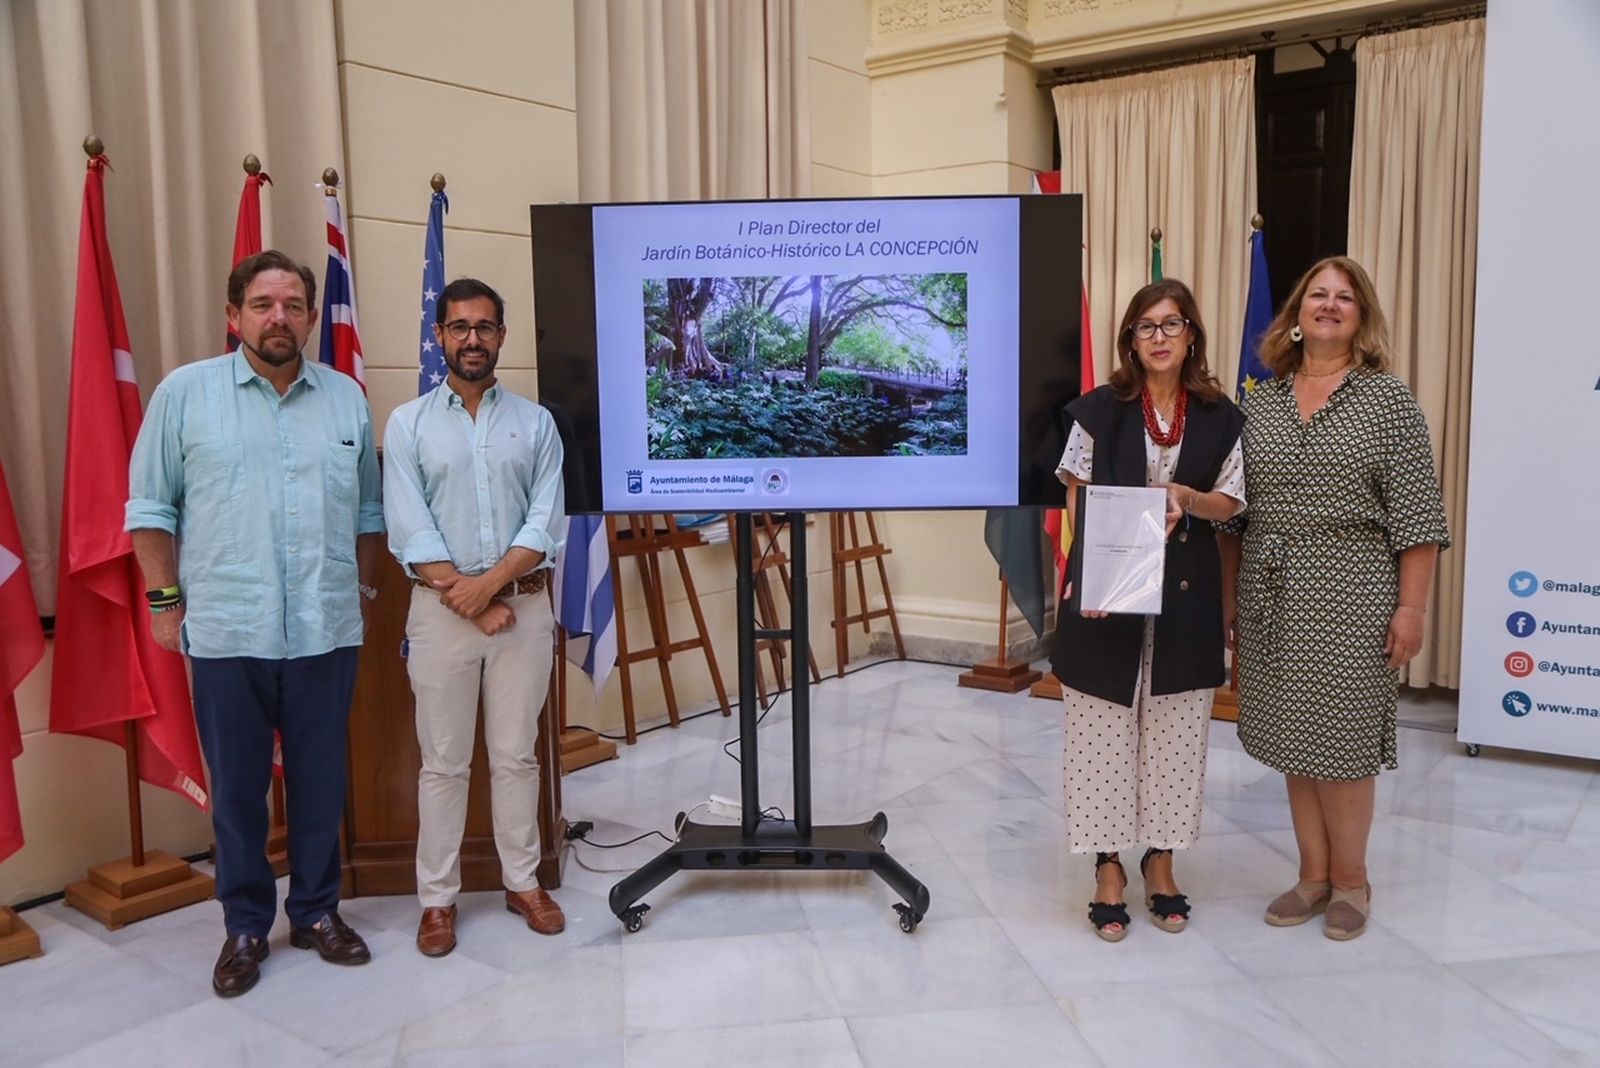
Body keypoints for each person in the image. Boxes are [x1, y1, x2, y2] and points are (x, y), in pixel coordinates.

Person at [126, 250, 384, 997]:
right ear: (234, 316)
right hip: (228, 628)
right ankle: (244, 925)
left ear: (309, 316)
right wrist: (165, 602)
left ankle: (315, 913)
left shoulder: (344, 400)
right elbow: (150, 509)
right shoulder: (185, 396)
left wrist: (362, 591)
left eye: (294, 304)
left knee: (319, 781)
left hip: (324, 627)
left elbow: (368, 511)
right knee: (237, 789)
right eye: (264, 304)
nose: (280, 317)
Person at [1218, 256, 1449, 941]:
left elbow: (1419, 518)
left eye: (1343, 297)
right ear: (1293, 317)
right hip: (1269, 589)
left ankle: (1352, 881)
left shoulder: (1388, 401)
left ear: (1362, 317)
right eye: (1316, 294)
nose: (1328, 305)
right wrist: (1229, 601)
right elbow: (1234, 514)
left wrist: (1411, 608)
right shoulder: (1259, 402)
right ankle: (1311, 876)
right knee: (1294, 739)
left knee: (1341, 745)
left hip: (1354, 589)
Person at [1051, 279, 1246, 941]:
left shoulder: (1221, 416)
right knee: (1101, 732)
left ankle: (1160, 861)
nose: (1159, 337)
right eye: (1145, 326)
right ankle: (1109, 867)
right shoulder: (1099, 411)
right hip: (1108, 594)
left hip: (1186, 599)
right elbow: (1075, 494)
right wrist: (1085, 576)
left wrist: (1186, 497)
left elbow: (1232, 503)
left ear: (1192, 334)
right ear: (1130, 339)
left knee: (1177, 735)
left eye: (1171, 324)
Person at [383, 277, 567, 957]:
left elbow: (546, 521)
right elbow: (408, 525)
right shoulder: (408, 424)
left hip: (522, 613)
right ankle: (437, 900)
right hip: (438, 616)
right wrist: (465, 597)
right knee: (444, 763)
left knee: (517, 757)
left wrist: (486, 591)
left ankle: (523, 883)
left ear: (501, 336)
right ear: (440, 337)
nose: (472, 339)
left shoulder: (536, 423)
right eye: (458, 327)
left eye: (484, 327)